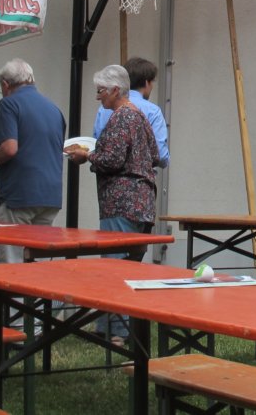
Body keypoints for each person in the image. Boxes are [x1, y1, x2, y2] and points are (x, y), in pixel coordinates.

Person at [66, 65, 159, 344]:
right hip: (142, 201)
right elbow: (154, 152)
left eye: (101, 91)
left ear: (116, 90)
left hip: (121, 202)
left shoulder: (120, 117)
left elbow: (113, 160)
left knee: (115, 268)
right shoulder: (140, 115)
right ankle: (107, 327)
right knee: (127, 267)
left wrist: (87, 155)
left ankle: (117, 334)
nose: (98, 97)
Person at [0, 59, 65, 264]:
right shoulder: (53, 109)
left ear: (5, 85)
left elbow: (9, 148)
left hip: (18, 195)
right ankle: (37, 298)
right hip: (50, 195)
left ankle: (8, 298)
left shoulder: (8, 104)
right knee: (38, 262)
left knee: (12, 262)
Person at [93, 57, 168, 169]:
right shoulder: (153, 111)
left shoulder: (104, 108)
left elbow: (96, 146)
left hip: (106, 181)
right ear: (147, 82)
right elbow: (160, 156)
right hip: (139, 182)